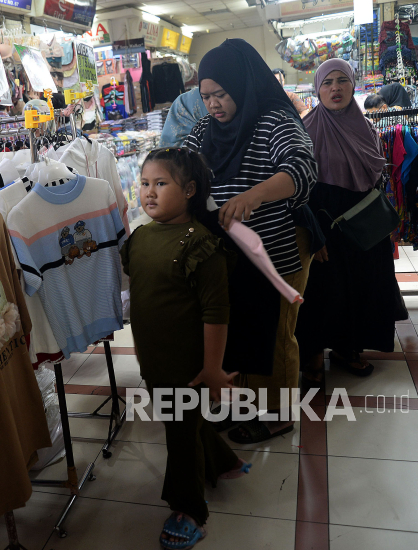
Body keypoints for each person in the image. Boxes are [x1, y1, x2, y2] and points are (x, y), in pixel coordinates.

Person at [183, 39, 317, 445]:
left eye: (220, 94)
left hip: (279, 244)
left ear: (240, 86)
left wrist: (252, 195)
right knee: (241, 327)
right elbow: (183, 166)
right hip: (230, 252)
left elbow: (302, 169)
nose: (213, 105)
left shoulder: (274, 120)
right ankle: (244, 403)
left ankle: (278, 413)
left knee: (275, 331)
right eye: (205, 97)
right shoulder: (206, 129)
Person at [121, 147, 248, 550]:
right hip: (156, 359)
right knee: (182, 424)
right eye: (144, 184)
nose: (149, 193)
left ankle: (189, 508)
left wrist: (212, 369)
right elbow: (144, 300)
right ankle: (223, 462)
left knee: (179, 433)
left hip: (190, 364)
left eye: (161, 183)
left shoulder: (201, 245)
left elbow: (217, 312)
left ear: (190, 190)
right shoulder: (140, 238)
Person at [296, 58, 408, 383]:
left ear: (352, 84)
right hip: (324, 224)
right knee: (322, 290)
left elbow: (375, 175)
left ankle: (349, 349)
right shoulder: (306, 130)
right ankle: (313, 359)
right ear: (317, 88)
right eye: (327, 82)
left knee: (360, 286)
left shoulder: (366, 126)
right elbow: (300, 189)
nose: (335, 89)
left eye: (341, 81)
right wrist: (313, 234)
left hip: (362, 225)